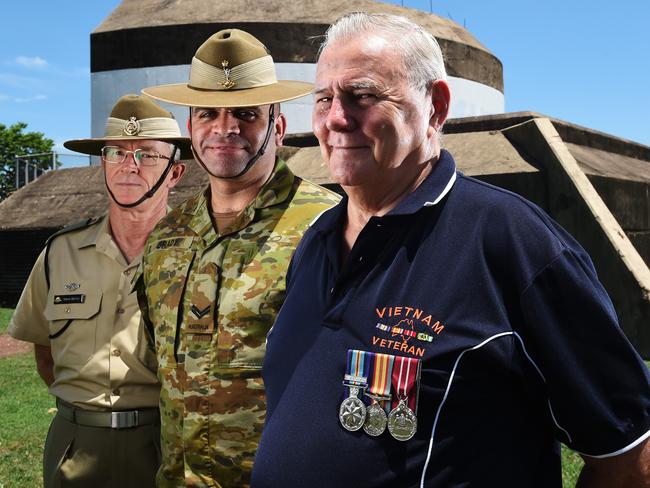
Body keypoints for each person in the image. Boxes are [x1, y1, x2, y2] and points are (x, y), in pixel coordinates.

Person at [251, 12, 650, 487]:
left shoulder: (510, 242)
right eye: (323, 99)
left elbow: (629, 456)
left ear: (435, 106)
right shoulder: (315, 243)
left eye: (362, 96)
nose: (336, 118)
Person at [136, 29, 340, 487]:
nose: (224, 127)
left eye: (246, 114)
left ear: (279, 128)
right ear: (190, 128)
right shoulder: (167, 236)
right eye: (207, 113)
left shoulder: (331, 227)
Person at [8, 94, 189, 487]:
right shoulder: (61, 252)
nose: (129, 166)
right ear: (102, 164)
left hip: (166, 445)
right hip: (75, 445)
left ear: (175, 173)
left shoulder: (199, 253)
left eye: (147, 155)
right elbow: (44, 353)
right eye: (116, 153)